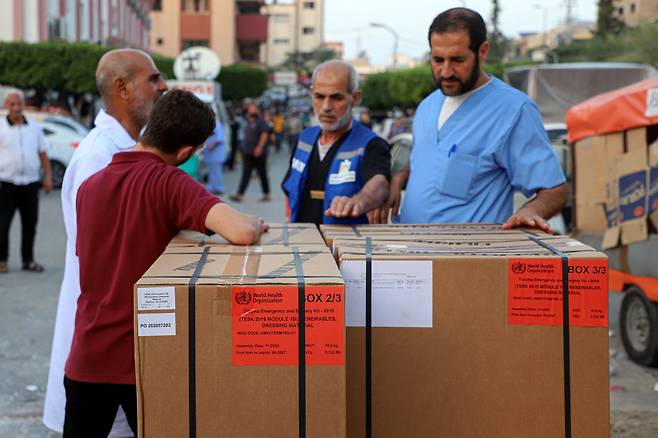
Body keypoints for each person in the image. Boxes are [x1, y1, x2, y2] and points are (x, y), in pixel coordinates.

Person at [63, 89, 267, 437]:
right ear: (186, 152)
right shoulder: (170, 182)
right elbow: (241, 232)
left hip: (87, 355)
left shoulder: (91, 185)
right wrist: (254, 221)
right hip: (143, 360)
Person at [43, 48, 168, 437]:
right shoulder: (99, 158)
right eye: (153, 79)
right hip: (108, 326)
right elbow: (107, 253)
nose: (162, 87)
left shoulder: (130, 149)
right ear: (123, 88)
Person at [371, 8, 567, 231]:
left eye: (457, 60)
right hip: (410, 255)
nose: (446, 72)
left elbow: (555, 192)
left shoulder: (513, 111)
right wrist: (398, 179)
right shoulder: (427, 107)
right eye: (437, 60)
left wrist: (529, 211)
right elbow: (433, 163)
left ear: (482, 52)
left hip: (466, 260)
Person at [282, 60, 390, 225]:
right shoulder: (304, 139)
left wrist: (359, 201)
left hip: (343, 247)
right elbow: (289, 187)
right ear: (311, 94)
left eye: (336, 98)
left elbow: (380, 183)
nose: (326, 106)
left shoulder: (371, 145)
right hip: (303, 242)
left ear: (355, 99)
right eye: (319, 96)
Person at [0, 91, 52, 273]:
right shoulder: (1, 127)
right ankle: (2, 261)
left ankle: (28, 260)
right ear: (6, 105)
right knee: (3, 224)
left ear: (23, 105)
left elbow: (43, 153)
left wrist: (47, 176)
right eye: (12, 104)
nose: (15, 107)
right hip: (6, 183)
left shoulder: (34, 128)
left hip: (30, 184)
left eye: (18, 104)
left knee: (30, 224)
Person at [229, 104, 271, 203]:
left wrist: (260, 147)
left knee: (262, 173)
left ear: (256, 110)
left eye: (253, 109)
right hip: (247, 152)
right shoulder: (247, 121)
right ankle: (240, 195)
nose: (251, 111)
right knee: (246, 173)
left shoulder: (260, 121)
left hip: (258, 152)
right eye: (250, 109)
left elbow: (265, 134)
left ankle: (266, 193)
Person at [203, 120, 226, 195]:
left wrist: (211, 145)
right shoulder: (209, 125)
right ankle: (212, 188)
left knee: (217, 172)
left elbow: (219, 139)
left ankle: (219, 188)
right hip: (210, 154)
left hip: (216, 154)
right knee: (211, 172)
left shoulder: (217, 125)